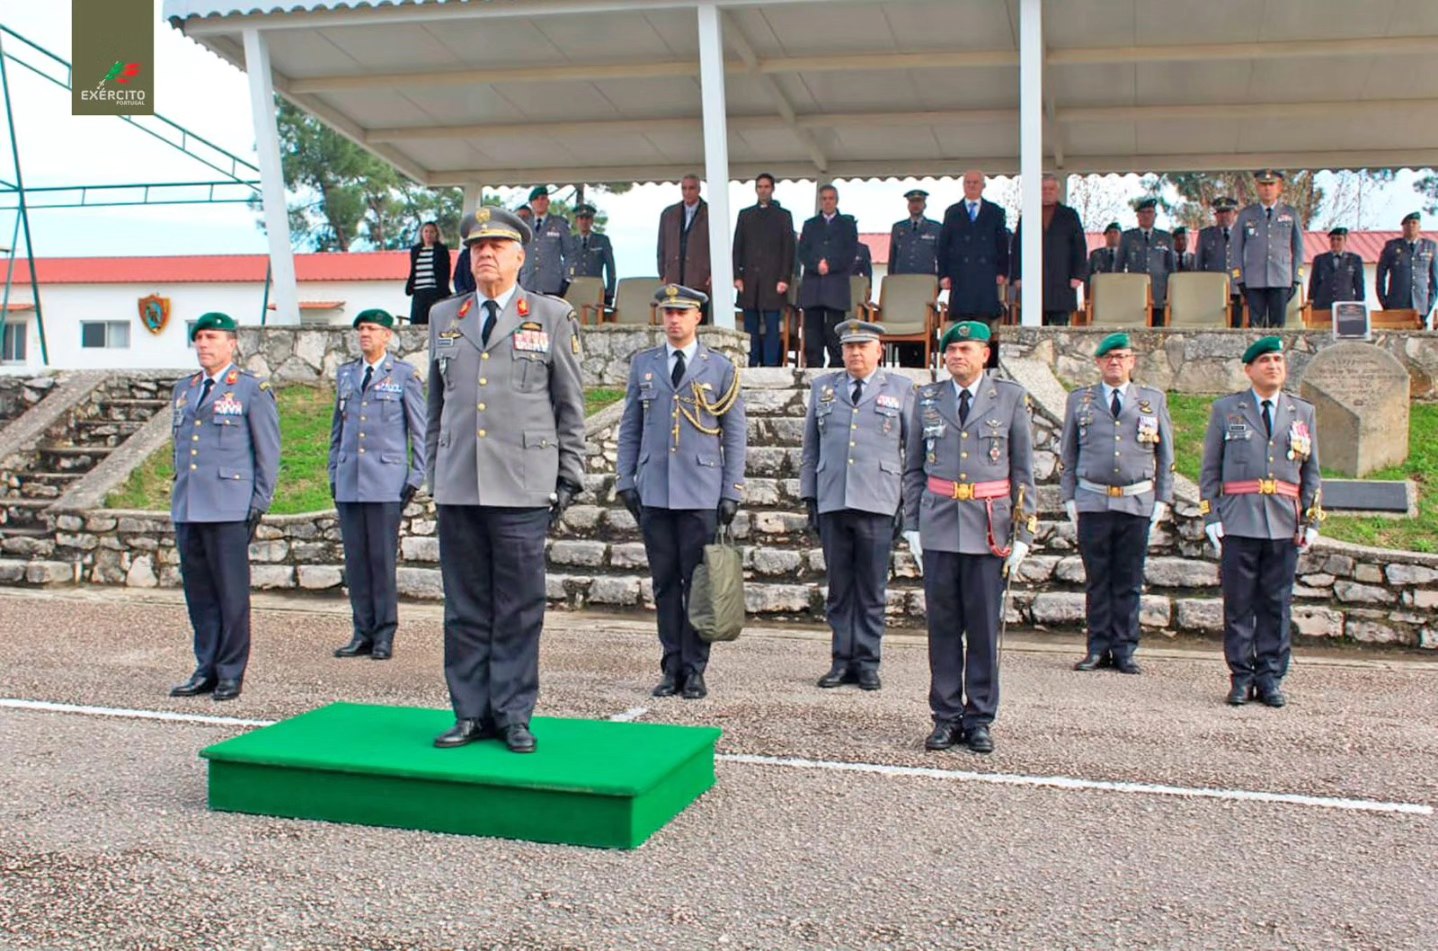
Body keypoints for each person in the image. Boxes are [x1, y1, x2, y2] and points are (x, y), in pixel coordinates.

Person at [426, 208, 586, 753]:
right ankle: (470, 713)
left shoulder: (550, 315)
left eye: (496, 246)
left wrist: (569, 473)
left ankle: (513, 714)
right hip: (460, 483)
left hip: (521, 484)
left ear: (521, 256)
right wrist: (434, 472)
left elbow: (569, 404)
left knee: (518, 607)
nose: (485, 254)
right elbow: (435, 405)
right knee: (464, 607)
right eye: (477, 247)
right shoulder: (445, 316)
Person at [902, 321, 1036, 755]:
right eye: (951, 350)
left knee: (982, 630)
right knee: (942, 629)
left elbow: (1023, 471)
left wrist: (1023, 532)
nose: (957, 356)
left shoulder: (1009, 398)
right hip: (939, 524)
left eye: (966, 349)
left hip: (987, 528)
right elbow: (914, 468)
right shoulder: (927, 399)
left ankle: (979, 717)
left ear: (984, 354)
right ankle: (945, 716)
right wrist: (912, 524)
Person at [616, 284, 746, 701]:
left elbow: (735, 434)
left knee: (700, 584)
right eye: (668, 312)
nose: (673, 319)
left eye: (681, 312)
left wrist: (731, 490)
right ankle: (671, 665)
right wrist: (624, 479)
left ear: (697, 318)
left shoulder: (719, 367)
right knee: (665, 584)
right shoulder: (645, 364)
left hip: (701, 491)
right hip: (655, 490)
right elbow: (631, 426)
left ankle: (694, 669)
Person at [1199, 337, 1322, 708]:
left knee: (1276, 604)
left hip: (1284, 521)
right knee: (1239, 604)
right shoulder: (1227, 409)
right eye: (1265, 360)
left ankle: (1270, 677)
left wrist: (1311, 519)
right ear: (1249, 369)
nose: (1273, 366)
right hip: (1239, 519)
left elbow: (1311, 472)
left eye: (1278, 360)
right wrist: (1211, 514)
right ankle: (1241, 676)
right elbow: (1210, 468)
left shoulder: (1302, 411)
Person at [167, 312, 281, 703]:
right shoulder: (185, 389)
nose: (203, 344)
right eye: (199, 337)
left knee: (231, 596)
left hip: (229, 507)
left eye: (211, 337)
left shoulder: (250, 389)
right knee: (199, 595)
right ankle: (206, 668)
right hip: (189, 506)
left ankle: (231, 672)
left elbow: (268, 452)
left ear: (232, 344)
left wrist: (259, 502)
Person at [800, 319, 912, 691]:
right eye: (849, 347)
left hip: (878, 500)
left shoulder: (900, 388)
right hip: (833, 497)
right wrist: (810, 495)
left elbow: (913, 452)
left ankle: (866, 661)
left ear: (879, 350)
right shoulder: (823, 387)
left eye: (863, 346)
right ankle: (840, 660)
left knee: (870, 588)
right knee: (839, 587)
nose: (855, 353)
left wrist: (906, 503)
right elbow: (811, 447)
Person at [1059, 333, 1174, 676]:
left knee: (1128, 579)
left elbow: (1166, 454)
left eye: (1122, 356)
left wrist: (1162, 498)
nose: (1115, 362)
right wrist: (1069, 496)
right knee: (1097, 579)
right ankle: (1096, 647)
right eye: (1108, 357)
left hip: (1135, 501)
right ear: (1098, 363)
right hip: (1093, 500)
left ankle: (1124, 648)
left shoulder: (1151, 400)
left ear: (1132, 361)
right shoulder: (1080, 400)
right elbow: (1068, 452)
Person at [328, 308, 426, 662]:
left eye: (372, 329)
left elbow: (419, 430)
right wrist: (333, 472)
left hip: (386, 482)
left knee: (381, 561)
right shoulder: (347, 374)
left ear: (387, 335)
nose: (365, 334)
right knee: (356, 562)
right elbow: (337, 429)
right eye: (361, 329)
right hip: (349, 480)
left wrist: (416, 475)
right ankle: (362, 631)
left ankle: (384, 633)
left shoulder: (403, 375)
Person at [732, 172, 795, 368]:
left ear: (773, 189)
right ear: (755, 189)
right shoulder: (745, 215)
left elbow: (789, 249)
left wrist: (785, 278)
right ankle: (751, 363)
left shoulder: (783, 216)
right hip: (749, 280)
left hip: (774, 281)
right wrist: (737, 276)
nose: (763, 190)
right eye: (760, 187)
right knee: (750, 326)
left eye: (766, 187)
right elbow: (737, 247)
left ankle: (770, 366)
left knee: (771, 326)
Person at [1010, 173, 1087, 326]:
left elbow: (1079, 247)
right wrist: (1017, 276)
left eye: (1051, 189)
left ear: (1057, 191)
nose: (1047, 192)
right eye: (1043, 189)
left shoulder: (1069, 215)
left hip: (1062, 278)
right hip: (1033, 280)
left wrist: (1077, 275)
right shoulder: (1028, 214)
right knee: (1033, 328)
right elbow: (1017, 247)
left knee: (1060, 328)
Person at [937, 170, 1009, 331]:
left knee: (982, 326)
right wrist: (943, 275)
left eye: (975, 182)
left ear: (983, 185)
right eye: (968, 182)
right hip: (960, 276)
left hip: (986, 276)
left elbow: (1002, 244)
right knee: (962, 327)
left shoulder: (995, 211)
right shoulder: (952, 212)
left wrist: (1002, 272)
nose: (971, 186)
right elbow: (943, 247)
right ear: (963, 185)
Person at [797, 184, 859, 368]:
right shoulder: (810, 224)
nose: (827, 202)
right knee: (812, 331)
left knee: (835, 331)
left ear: (836, 200)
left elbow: (850, 253)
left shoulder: (847, 224)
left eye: (831, 198)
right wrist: (816, 265)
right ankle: (814, 367)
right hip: (813, 284)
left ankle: (836, 368)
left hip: (836, 285)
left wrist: (829, 265)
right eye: (824, 199)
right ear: (820, 201)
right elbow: (802, 252)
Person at [1233, 169, 1304, 328]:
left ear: (1279, 187)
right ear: (1257, 187)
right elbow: (1236, 248)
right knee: (1256, 326)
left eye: (1271, 184)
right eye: (1263, 185)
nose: (1267, 188)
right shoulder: (1246, 214)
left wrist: (1296, 278)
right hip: (1254, 279)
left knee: (1278, 327)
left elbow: (1299, 249)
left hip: (1281, 277)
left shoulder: (1290, 213)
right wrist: (1239, 278)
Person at [657, 175, 711, 319]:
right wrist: (662, 273)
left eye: (691, 188)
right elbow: (661, 245)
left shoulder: (710, 213)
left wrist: (713, 273)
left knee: (697, 320)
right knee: (675, 319)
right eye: (684, 188)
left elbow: (719, 246)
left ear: (699, 189)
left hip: (699, 278)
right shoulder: (669, 214)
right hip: (674, 278)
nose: (687, 192)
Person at [1118, 198, 1176, 326]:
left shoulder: (1165, 237)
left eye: (1149, 212)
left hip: (1159, 292)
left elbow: (1171, 267)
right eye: (1142, 213)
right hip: (1134, 291)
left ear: (1155, 215)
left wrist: (1171, 292)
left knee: (1158, 328)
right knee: (1135, 327)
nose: (1146, 216)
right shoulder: (1128, 236)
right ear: (1137, 216)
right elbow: (1119, 266)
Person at [1376, 211, 1438, 318]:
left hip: (1420, 304)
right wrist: (1384, 301)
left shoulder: (1430, 247)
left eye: (1414, 223)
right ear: (1403, 227)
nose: (1411, 226)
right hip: (1396, 304)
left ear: (1419, 226)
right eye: (1407, 223)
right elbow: (1380, 275)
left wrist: (1429, 303)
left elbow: (1435, 279)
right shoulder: (1392, 246)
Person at [1196, 197, 1243, 327]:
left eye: (1227, 212)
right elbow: (1199, 264)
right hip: (1213, 289)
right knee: (1214, 326)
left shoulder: (1243, 233)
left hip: (1237, 289)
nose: (1224, 216)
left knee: (1237, 326)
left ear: (1235, 213)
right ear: (1215, 215)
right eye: (1220, 212)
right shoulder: (1205, 234)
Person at [518, 187, 570, 296]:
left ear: (548, 201)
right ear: (531, 204)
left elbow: (569, 253)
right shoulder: (524, 225)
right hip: (528, 282)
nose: (540, 202)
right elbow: (518, 253)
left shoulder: (559, 224)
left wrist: (567, 278)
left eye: (543, 198)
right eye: (536, 199)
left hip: (551, 282)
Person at [565, 204, 617, 306]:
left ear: (592, 221)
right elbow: (565, 266)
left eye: (587, 218)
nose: (584, 222)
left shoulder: (602, 240)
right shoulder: (570, 241)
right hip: (575, 289)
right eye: (581, 218)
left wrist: (609, 293)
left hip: (596, 289)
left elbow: (611, 268)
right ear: (576, 221)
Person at [404, 221, 451, 326]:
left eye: (432, 232)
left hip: (435, 291)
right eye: (426, 231)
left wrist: (444, 291)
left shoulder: (441, 250)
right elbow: (413, 270)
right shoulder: (415, 250)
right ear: (422, 233)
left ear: (436, 234)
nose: (428, 234)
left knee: (435, 322)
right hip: (418, 291)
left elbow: (446, 272)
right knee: (417, 323)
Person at [888, 188, 943, 277]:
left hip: (926, 278)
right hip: (902, 278)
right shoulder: (898, 227)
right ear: (908, 205)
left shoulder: (936, 227)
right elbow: (892, 258)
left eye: (919, 202)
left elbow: (941, 256)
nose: (915, 205)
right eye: (912, 202)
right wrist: (891, 277)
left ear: (925, 205)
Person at [1308, 227, 1365, 311]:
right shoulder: (1319, 259)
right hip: (1323, 306)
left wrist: (1359, 306)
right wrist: (1311, 302)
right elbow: (1313, 284)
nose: (1335, 242)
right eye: (1332, 239)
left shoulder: (1354, 259)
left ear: (1345, 241)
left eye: (1339, 239)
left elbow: (1359, 286)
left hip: (1345, 306)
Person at [1085, 221, 1122, 300]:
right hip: (1100, 294)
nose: (1112, 235)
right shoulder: (1095, 254)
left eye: (1115, 232)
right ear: (1105, 235)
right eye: (1109, 232)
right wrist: (1087, 299)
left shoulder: (1126, 255)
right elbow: (1088, 277)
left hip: (1120, 294)